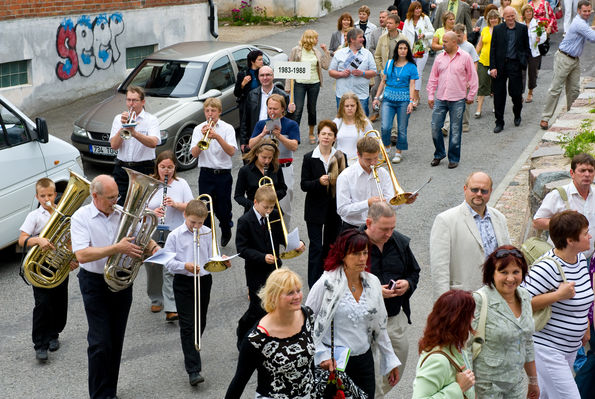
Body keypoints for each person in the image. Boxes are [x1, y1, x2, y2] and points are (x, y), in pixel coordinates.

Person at [71, 175, 160, 399]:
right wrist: (116, 248)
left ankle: (109, 391)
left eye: (116, 196)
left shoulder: (122, 212)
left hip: (121, 281)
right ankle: (99, 395)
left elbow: (142, 232)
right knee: (100, 342)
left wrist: (154, 246)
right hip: (95, 283)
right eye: (110, 197)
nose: (116, 201)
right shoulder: (81, 217)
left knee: (115, 340)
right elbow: (81, 255)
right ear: (95, 196)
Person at [305, 229, 401, 398]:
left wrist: (390, 359)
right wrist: (322, 356)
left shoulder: (373, 282)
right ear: (342, 255)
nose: (362, 258)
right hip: (334, 365)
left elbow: (380, 326)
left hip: (364, 363)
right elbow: (306, 323)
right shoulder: (326, 284)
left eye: (365, 252)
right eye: (356, 253)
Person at [522, 210, 594, 399]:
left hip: (569, 347)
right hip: (547, 348)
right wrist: (557, 295)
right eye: (585, 233)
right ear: (570, 240)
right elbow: (520, 303)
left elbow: (584, 299)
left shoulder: (579, 259)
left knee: (546, 395)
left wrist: (585, 327)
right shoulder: (547, 267)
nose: (590, 236)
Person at [163, 199, 230, 386]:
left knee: (201, 321)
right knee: (187, 324)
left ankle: (191, 348)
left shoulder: (207, 232)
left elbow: (212, 256)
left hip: (204, 280)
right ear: (185, 216)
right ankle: (193, 369)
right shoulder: (175, 235)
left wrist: (222, 260)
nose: (196, 226)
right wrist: (185, 265)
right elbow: (168, 262)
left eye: (200, 223)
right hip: (184, 281)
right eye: (193, 222)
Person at [226, 268, 315, 398]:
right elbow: (239, 382)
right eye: (290, 293)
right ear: (274, 296)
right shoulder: (256, 339)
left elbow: (310, 360)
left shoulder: (307, 315)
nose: (297, 296)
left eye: (298, 290)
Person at [235, 185, 305, 348]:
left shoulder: (274, 215)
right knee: (257, 308)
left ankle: (271, 338)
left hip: (274, 269)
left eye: (272, 207)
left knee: (274, 305)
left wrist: (298, 243)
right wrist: (261, 257)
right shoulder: (245, 221)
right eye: (265, 207)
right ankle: (243, 329)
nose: (268, 210)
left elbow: (283, 237)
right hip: (255, 271)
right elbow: (241, 249)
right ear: (256, 202)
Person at [364, 202, 420, 398]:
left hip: (394, 318)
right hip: (364, 322)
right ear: (369, 223)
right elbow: (340, 281)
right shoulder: (354, 245)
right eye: (384, 229)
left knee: (399, 363)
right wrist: (374, 290)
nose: (389, 233)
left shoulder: (399, 242)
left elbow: (414, 272)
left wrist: (407, 284)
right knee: (370, 372)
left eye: (392, 228)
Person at [471, 246, 539, 399]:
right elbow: (466, 346)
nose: (510, 278)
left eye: (516, 272)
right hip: (485, 386)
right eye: (504, 272)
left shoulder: (525, 296)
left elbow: (527, 341)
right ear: (492, 273)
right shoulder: (479, 300)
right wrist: (467, 388)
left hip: (516, 384)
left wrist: (533, 381)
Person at [430, 172, 511, 299]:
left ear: (490, 191)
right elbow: (439, 269)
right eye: (474, 189)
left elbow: (508, 257)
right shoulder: (445, 220)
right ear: (465, 189)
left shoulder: (499, 218)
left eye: (484, 191)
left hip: (496, 295)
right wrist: (443, 305)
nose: (479, 194)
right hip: (462, 298)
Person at [18, 178, 74, 363]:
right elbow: (22, 239)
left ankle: (53, 335)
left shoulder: (62, 214)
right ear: (37, 197)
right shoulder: (34, 216)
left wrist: (72, 258)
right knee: (42, 304)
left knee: (59, 301)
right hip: (40, 267)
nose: (47, 198)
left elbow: (70, 239)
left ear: (55, 194)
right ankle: (40, 345)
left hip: (59, 265)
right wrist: (39, 240)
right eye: (42, 196)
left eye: (50, 195)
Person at [146, 151, 193, 322]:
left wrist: (176, 204)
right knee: (153, 267)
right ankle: (156, 298)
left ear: (175, 167)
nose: (166, 171)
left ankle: (171, 307)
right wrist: (152, 212)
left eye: (170, 167)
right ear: (157, 166)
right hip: (153, 231)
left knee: (169, 268)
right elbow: (139, 209)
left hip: (174, 232)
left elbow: (191, 206)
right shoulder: (150, 184)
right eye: (163, 167)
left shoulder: (181, 184)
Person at [300, 120, 346, 288]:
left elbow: (345, 182)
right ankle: (314, 285)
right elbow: (304, 185)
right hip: (314, 210)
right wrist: (318, 182)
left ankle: (329, 281)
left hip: (334, 209)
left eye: (330, 134)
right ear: (318, 135)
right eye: (323, 134)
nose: (326, 137)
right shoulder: (309, 158)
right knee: (316, 248)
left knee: (331, 246)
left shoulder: (340, 156)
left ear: (334, 138)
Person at [539, 1, 595, 130]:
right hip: (564, 58)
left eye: (589, 11)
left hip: (574, 59)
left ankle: (571, 115)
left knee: (574, 90)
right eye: (585, 11)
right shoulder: (579, 23)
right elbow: (592, 38)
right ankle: (545, 118)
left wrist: (592, 28)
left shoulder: (582, 22)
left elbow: (588, 31)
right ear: (579, 11)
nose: (587, 13)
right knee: (555, 89)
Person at [426, 31, 478, 169]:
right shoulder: (439, 58)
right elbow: (433, 78)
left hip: (458, 99)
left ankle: (453, 158)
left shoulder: (465, 57)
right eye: (442, 41)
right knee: (435, 127)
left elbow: (473, 77)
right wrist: (431, 95)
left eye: (445, 41)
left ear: (454, 42)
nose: (442, 44)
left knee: (455, 129)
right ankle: (439, 153)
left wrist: (471, 95)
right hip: (441, 98)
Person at [190, 97, 237, 247]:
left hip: (223, 174)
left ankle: (225, 227)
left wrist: (216, 137)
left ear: (219, 112)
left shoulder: (227, 128)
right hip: (206, 174)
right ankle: (209, 240)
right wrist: (201, 140)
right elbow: (194, 154)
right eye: (207, 111)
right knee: (205, 209)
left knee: (223, 208)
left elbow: (231, 152)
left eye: (213, 111)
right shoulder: (199, 129)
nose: (210, 114)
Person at [412, 290, 476, 399]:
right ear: (460, 322)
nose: (473, 319)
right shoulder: (437, 360)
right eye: (470, 315)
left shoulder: (457, 347)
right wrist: (459, 388)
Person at [249, 94, 300, 227]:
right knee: (263, 204)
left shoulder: (291, 124)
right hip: (265, 168)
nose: (271, 111)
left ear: (283, 109)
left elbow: (294, 146)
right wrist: (262, 134)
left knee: (285, 205)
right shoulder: (261, 124)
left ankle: (285, 237)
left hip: (284, 168)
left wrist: (279, 136)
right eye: (269, 108)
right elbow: (250, 145)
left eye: (275, 109)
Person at [533, 153, 595, 258]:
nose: (587, 174)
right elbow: (537, 222)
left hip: (589, 258)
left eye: (590, 171)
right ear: (572, 173)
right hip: (562, 258)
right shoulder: (558, 195)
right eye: (582, 170)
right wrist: (563, 223)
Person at [109, 85, 160, 205]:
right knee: (119, 204)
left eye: (135, 100)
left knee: (141, 204)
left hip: (144, 168)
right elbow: (114, 146)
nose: (131, 104)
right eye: (128, 100)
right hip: (122, 168)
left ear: (143, 102)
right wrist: (123, 127)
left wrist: (134, 133)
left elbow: (153, 143)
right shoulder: (118, 119)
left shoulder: (151, 120)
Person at [336, 137, 398, 230]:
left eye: (376, 158)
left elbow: (389, 202)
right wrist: (367, 203)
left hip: (378, 227)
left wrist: (403, 200)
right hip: (354, 228)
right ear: (358, 155)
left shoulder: (383, 173)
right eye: (368, 159)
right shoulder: (345, 176)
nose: (373, 163)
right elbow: (342, 210)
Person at [372, 40, 418, 164]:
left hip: (404, 100)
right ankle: (386, 147)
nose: (402, 50)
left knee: (402, 128)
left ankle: (398, 152)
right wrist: (376, 98)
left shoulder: (412, 66)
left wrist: (411, 101)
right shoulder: (389, 63)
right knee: (385, 126)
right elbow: (383, 81)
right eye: (400, 48)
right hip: (388, 99)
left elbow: (412, 85)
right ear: (397, 50)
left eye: (405, 48)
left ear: (408, 51)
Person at [490, 6, 530, 133]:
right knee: (499, 95)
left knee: (516, 94)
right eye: (508, 16)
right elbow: (493, 49)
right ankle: (499, 122)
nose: (511, 18)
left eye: (512, 16)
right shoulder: (498, 29)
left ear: (515, 16)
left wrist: (523, 62)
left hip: (515, 65)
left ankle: (517, 114)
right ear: (504, 17)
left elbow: (526, 47)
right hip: (500, 66)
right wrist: (493, 67)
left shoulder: (522, 29)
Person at [287, 29, 331, 143]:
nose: (317, 40)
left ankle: (311, 133)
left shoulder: (316, 51)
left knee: (312, 109)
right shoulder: (296, 51)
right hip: (300, 83)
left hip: (314, 83)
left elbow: (326, 66)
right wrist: (288, 87)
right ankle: (294, 135)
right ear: (310, 38)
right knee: (298, 109)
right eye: (316, 38)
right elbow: (290, 69)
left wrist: (326, 52)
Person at [239, 66, 293, 153]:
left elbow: (288, 121)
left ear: (273, 76)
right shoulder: (252, 94)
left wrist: (291, 111)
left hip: (274, 138)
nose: (265, 78)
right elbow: (245, 119)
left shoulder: (283, 96)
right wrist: (243, 141)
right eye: (262, 75)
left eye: (268, 75)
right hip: (256, 137)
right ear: (258, 77)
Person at [329, 27, 377, 116]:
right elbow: (331, 71)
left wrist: (362, 73)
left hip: (361, 95)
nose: (363, 39)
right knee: (343, 122)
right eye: (360, 37)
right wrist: (341, 74)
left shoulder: (367, 54)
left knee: (362, 124)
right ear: (352, 39)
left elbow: (374, 72)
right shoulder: (340, 53)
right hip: (343, 95)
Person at [234, 139, 287, 214]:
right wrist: (255, 205)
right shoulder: (245, 170)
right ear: (256, 153)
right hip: (253, 211)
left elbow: (283, 189)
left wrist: (271, 198)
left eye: (270, 158)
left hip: (273, 210)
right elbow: (238, 196)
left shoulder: (276, 167)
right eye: (264, 157)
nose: (267, 161)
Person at [402, 1, 435, 106]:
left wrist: (424, 35)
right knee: (410, 72)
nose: (418, 10)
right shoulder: (407, 21)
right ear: (412, 10)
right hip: (410, 51)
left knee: (418, 73)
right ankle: (414, 94)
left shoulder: (425, 19)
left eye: (419, 8)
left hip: (421, 49)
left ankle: (415, 96)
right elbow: (403, 36)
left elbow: (432, 32)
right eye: (416, 8)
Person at [333, 92, 374, 164]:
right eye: (347, 106)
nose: (350, 108)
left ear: (357, 106)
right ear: (342, 107)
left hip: (359, 162)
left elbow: (375, 141)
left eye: (352, 105)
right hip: (340, 162)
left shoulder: (364, 122)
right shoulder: (336, 122)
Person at [474, 9, 500, 117]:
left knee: (496, 85)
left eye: (495, 18)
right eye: (491, 18)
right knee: (482, 84)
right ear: (488, 19)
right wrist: (474, 57)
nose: (493, 20)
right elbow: (479, 45)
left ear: (498, 19)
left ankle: (496, 106)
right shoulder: (484, 30)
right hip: (483, 60)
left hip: (497, 62)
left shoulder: (502, 29)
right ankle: (479, 109)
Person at [233, 49, 263, 140]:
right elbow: (236, 93)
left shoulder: (262, 72)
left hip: (261, 102)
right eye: (260, 60)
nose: (262, 62)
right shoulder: (243, 73)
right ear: (252, 61)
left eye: (262, 59)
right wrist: (243, 84)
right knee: (247, 126)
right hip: (247, 105)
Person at [521, 4, 547, 103]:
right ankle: (521, 93)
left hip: (534, 52)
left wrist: (539, 40)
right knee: (521, 74)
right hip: (523, 52)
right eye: (527, 11)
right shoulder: (520, 25)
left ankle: (530, 92)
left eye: (530, 11)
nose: (529, 13)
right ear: (523, 13)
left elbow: (544, 36)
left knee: (532, 73)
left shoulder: (537, 24)